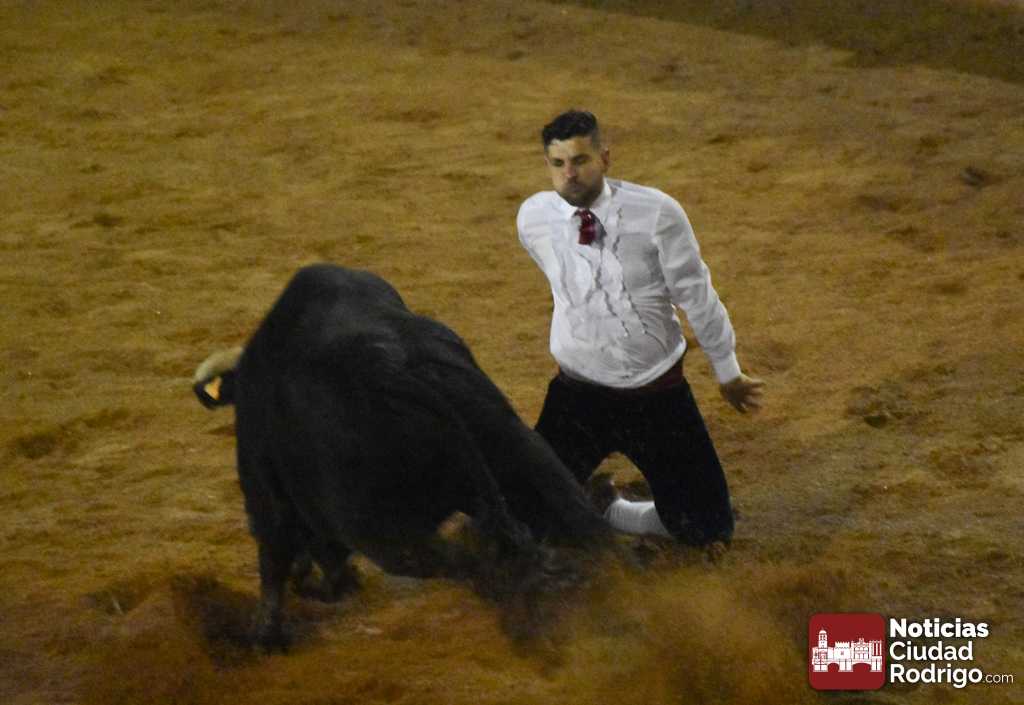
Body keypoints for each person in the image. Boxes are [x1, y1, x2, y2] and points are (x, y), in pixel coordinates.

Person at [515, 109, 764, 549]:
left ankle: (612, 509)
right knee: (523, 517)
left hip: (656, 397)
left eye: (580, 160)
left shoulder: (658, 214)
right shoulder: (533, 219)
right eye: (558, 164)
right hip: (577, 397)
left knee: (708, 527)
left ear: (605, 157)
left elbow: (695, 294)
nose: (569, 174)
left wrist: (728, 371)